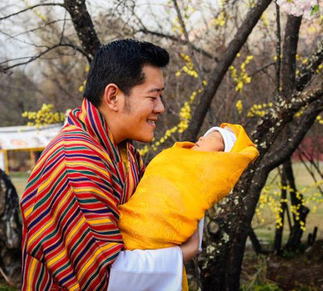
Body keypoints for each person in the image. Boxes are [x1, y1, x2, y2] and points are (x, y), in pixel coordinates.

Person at [20, 39, 199, 291]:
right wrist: (182, 253)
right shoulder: (78, 162)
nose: (161, 108)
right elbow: (105, 278)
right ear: (113, 96)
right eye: (153, 96)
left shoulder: (121, 151)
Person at [116, 124, 259, 291]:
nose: (201, 138)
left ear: (221, 157)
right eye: (205, 135)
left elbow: (188, 204)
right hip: (127, 224)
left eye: (212, 139)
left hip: (151, 237)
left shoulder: (205, 180)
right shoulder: (174, 156)